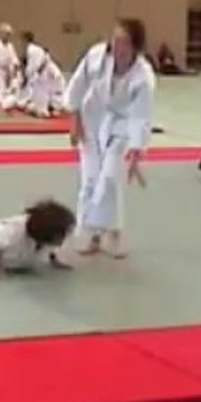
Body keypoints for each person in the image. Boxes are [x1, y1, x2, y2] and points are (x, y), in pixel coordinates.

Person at [65, 18, 155, 259]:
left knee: (109, 178)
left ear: (135, 46)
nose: (116, 45)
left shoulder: (143, 76)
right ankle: (92, 233)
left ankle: (113, 232)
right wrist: (74, 121)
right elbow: (77, 86)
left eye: (123, 41)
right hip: (91, 118)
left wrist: (136, 152)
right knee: (90, 179)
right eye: (114, 39)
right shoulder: (96, 57)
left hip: (122, 125)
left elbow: (141, 116)